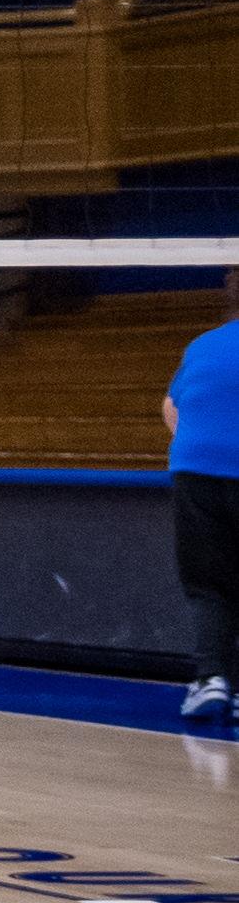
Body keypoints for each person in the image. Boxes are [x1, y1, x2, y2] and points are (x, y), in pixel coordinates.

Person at [163, 290, 239, 724]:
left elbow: (172, 407)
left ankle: (211, 679)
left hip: (197, 471)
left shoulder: (203, 344)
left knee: (209, 586)